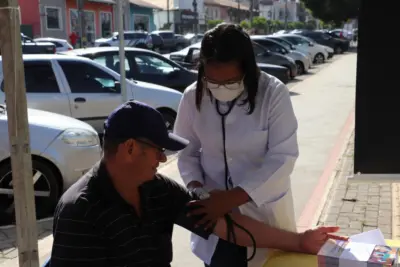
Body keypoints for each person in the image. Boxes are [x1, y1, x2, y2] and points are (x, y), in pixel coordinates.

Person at [48, 101, 345, 267]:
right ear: (129, 149)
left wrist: (299, 241)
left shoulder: (157, 189)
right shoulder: (81, 212)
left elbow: (224, 225)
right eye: (157, 151)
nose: (162, 160)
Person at [173, 23, 300, 267]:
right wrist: (198, 189)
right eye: (212, 81)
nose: (220, 88)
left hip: (263, 212)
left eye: (230, 81)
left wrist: (232, 198)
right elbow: (186, 152)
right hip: (215, 217)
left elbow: (283, 158)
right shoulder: (192, 96)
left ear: (247, 70)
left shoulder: (273, 94)